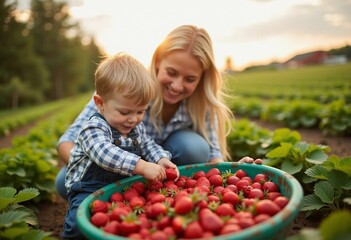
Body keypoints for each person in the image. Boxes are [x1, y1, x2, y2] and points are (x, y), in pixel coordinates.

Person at [56, 25, 262, 200]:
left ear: (201, 78)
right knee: (62, 182)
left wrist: (235, 171)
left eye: (190, 79)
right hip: (112, 168)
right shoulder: (123, 92)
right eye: (171, 73)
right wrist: (115, 170)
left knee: (195, 147)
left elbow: (213, 159)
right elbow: (67, 142)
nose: (177, 85)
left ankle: (164, 193)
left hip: (161, 170)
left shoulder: (200, 104)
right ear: (156, 63)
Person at [61, 53, 176, 239]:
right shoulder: (94, 128)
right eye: (124, 112)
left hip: (122, 185)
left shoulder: (134, 126)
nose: (133, 119)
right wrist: (142, 166)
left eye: (141, 111)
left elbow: (148, 144)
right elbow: (105, 154)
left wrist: (161, 159)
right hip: (89, 188)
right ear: (100, 103)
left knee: (131, 220)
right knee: (78, 224)